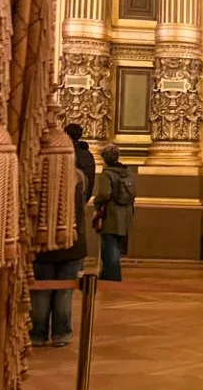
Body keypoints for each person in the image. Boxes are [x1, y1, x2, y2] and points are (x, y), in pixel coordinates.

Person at [30, 164, 87, 346]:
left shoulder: (39, 179)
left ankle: (37, 334)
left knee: (41, 293)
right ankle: (61, 334)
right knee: (64, 293)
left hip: (43, 246)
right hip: (72, 246)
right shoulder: (78, 179)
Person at [93, 143, 135, 282]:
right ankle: (111, 275)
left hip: (111, 213)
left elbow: (105, 194)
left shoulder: (107, 174)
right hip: (125, 212)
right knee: (116, 245)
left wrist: (96, 202)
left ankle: (111, 276)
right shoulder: (126, 172)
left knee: (110, 247)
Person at [65, 123, 96, 202]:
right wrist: (86, 198)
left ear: (67, 135)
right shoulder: (88, 154)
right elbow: (91, 179)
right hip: (82, 196)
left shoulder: (66, 152)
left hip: (67, 197)